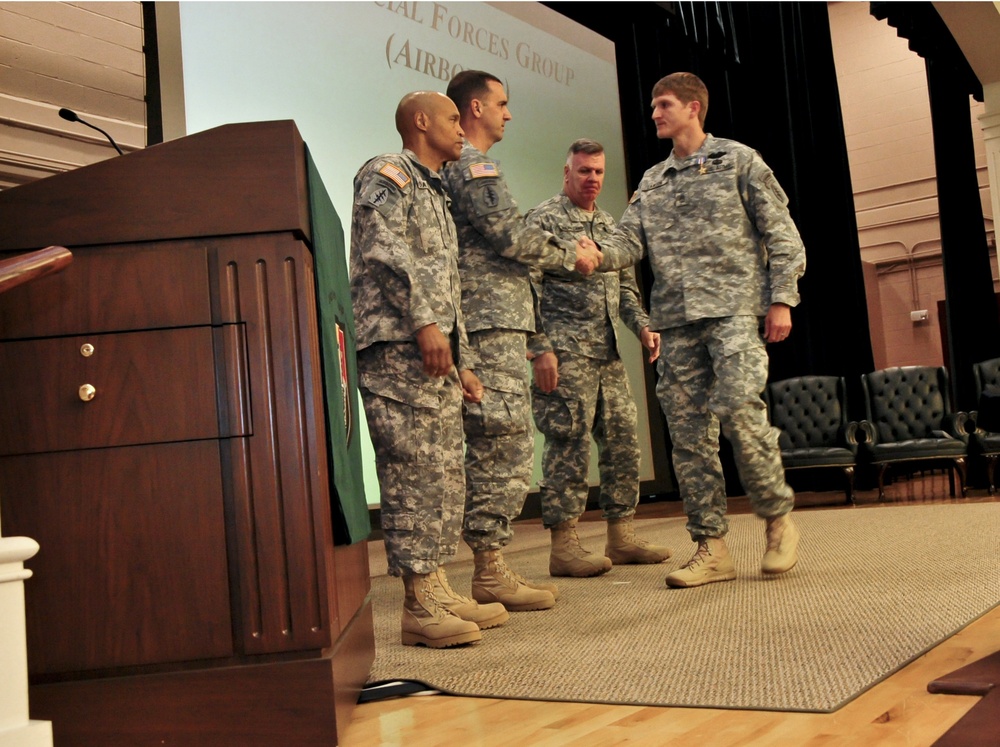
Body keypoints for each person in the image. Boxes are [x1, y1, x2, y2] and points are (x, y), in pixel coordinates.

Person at [595, 72, 806, 588]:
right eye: (652, 106)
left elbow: (783, 235)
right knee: (688, 438)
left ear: (693, 108)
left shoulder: (739, 160)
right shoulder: (652, 180)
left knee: (738, 408)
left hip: (734, 312)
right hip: (676, 322)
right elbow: (628, 242)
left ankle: (778, 521)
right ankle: (711, 548)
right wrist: (596, 255)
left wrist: (781, 299)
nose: (654, 114)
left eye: (663, 104)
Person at [351, 91, 510, 648]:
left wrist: (461, 363)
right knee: (413, 472)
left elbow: (448, 287)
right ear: (421, 122)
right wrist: (422, 323)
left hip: (431, 354)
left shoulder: (436, 191)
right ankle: (418, 602)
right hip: (398, 348)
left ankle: (437, 586)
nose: (461, 127)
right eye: (450, 118)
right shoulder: (388, 173)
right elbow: (383, 250)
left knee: (442, 473)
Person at [441, 70, 603, 611]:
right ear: (474, 108)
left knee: (504, 441)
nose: (508, 114)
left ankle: (489, 566)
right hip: (487, 325)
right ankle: (487, 569)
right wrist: (569, 255)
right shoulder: (473, 163)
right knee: (502, 441)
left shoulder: (463, 163)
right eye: (502, 104)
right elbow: (508, 234)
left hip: (496, 321)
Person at [525, 139, 672, 577]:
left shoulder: (609, 224)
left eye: (599, 172)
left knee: (623, 441)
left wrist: (642, 326)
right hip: (565, 354)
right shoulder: (544, 219)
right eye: (584, 171)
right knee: (567, 446)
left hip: (606, 353)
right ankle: (564, 546)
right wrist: (539, 348)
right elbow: (526, 288)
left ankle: (620, 536)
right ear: (566, 173)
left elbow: (624, 288)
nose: (592, 179)